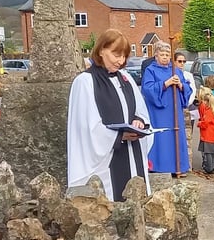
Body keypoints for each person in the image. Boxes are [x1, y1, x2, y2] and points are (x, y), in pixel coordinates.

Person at [67, 29, 152, 201]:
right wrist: (119, 135)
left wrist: (139, 122)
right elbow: (86, 128)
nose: (121, 61)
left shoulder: (125, 78)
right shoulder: (85, 82)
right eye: (116, 54)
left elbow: (139, 110)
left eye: (124, 56)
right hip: (107, 160)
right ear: (101, 50)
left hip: (131, 153)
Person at [141, 43, 192, 176]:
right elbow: (147, 89)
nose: (165, 57)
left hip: (174, 111)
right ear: (156, 56)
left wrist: (180, 85)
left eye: (167, 55)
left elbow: (188, 88)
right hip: (159, 112)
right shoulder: (151, 70)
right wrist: (165, 84)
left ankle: (178, 167)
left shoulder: (176, 70)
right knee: (161, 138)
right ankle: (160, 167)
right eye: (162, 55)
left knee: (176, 136)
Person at [197, 86, 214, 174]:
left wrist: (199, 123)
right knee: (210, 152)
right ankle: (210, 166)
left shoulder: (209, 112)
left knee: (207, 153)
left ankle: (209, 167)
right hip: (212, 135)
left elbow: (205, 123)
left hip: (207, 135)